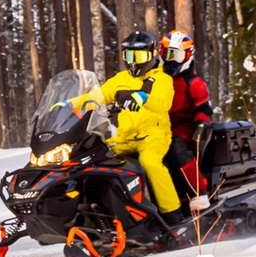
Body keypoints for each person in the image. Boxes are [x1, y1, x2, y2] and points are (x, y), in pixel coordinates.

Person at [75, 33, 182, 217]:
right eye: (129, 56)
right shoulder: (120, 79)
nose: (134, 62)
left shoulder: (162, 79)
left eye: (139, 57)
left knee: (150, 162)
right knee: (94, 160)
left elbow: (164, 103)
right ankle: (102, 213)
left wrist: (144, 97)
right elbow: (97, 96)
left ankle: (172, 213)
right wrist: (69, 105)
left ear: (152, 54)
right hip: (124, 138)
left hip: (153, 136)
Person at [158, 29, 212, 198]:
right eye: (168, 54)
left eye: (178, 56)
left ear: (188, 56)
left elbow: (204, 108)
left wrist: (201, 125)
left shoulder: (193, 82)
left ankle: (198, 191)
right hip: (158, 127)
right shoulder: (157, 79)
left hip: (183, 128)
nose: (172, 60)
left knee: (177, 148)